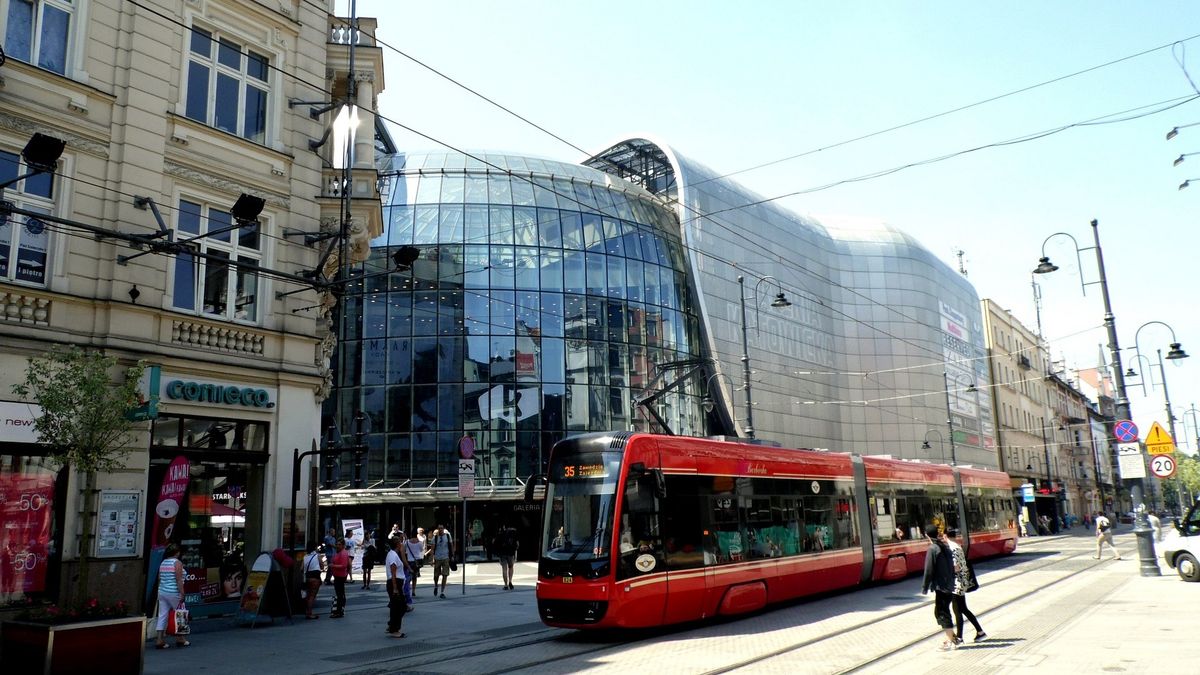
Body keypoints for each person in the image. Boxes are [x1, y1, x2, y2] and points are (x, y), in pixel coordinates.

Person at [920, 525, 959, 652]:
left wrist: (925, 587)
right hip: (948, 584)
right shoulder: (944, 546)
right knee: (941, 611)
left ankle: (950, 641)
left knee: (942, 613)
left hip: (941, 586)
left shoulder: (933, 548)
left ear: (927, 535)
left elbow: (929, 569)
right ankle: (952, 637)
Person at [946, 529, 986, 644]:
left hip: (956, 583)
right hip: (962, 582)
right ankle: (980, 631)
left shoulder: (952, 548)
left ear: (945, 536)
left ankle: (959, 637)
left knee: (957, 610)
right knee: (963, 608)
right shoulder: (957, 546)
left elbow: (956, 567)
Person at [155, 543, 190, 648]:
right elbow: (179, 579)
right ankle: (181, 638)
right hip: (173, 592)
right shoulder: (177, 563)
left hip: (162, 592)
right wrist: (182, 593)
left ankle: (159, 640)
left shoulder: (163, 563)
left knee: (162, 615)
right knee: (181, 614)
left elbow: (159, 579)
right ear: (177, 553)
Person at [385, 536, 408, 638]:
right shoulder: (393, 555)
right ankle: (394, 629)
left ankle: (392, 625)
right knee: (399, 607)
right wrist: (395, 587)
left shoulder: (393, 554)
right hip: (394, 583)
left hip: (396, 583)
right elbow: (393, 572)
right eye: (401, 542)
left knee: (399, 606)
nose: (402, 544)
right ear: (398, 544)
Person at [430, 523, 454, 599]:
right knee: (436, 575)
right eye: (439, 528)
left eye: (442, 528)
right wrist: (432, 558)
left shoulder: (447, 536)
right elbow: (432, 549)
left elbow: (451, 545)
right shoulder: (435, 538)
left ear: (443, 529)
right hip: (437, 558)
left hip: (446, 557)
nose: (440, 529)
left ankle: (442, 592)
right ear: (437, 529)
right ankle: (436, 585)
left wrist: (452, 556)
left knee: (445, 574)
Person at [492, 523, 519, 590]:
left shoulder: (501, 533)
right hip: (510, 553)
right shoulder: (513, 533)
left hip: (502, 553)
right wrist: (514, 550)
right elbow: (517, 544)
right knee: (511, 567)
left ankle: (506, 585)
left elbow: (494, 542)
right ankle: (510, 581)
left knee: (504, 569)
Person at [329, 538, 350, 618]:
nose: (337, 546)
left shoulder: (343, 553)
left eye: (339, 544)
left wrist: (333, 566)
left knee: (340, 594)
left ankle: (339, 611)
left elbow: (344, 565)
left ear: (343, 545)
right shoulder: (339, 552)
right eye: (337, 544)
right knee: (340, 593)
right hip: (338, 575)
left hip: (340, 576)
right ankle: (340, 610)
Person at [302, 542, 323, 619]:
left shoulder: (305, 557)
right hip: (315, 578)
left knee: (308, 595)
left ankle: (307, 612)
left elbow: (301, 568)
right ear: (314, 547)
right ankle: (309, 613)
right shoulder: (317, 555)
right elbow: (322, 566)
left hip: (307, 577)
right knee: (312, 596)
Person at [403, 530, 427, 597]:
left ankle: (407, 589)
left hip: (409, 561)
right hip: (417, 561)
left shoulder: (407, 542)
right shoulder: (420, 543)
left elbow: (404, 550)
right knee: (414, 577)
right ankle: (413, 590)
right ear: (416, 535)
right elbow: (421, 550)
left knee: (408, 577)